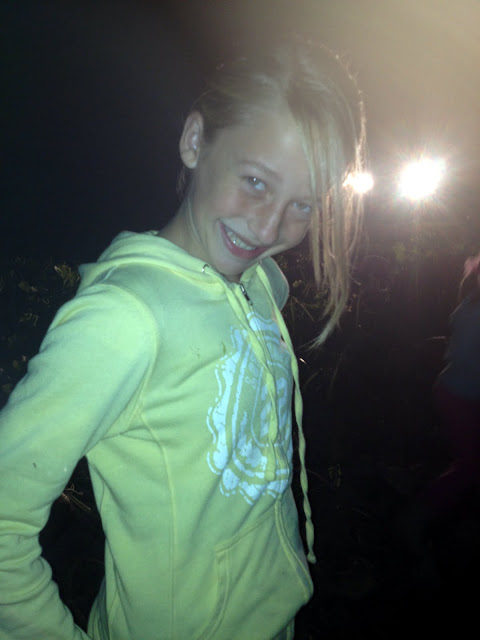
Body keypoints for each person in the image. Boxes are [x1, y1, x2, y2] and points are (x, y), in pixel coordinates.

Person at [0, 35, 366, 640]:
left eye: (302, 204)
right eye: (256, 181)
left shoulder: (260, 283)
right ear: (195, 140)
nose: (269, 227)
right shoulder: (122, 320)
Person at [397, 253, 480, 564]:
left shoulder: (470, 303)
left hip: (457, 392)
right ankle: (413, 521)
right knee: (471, 467)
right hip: (460, 396)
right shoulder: (473, 310)